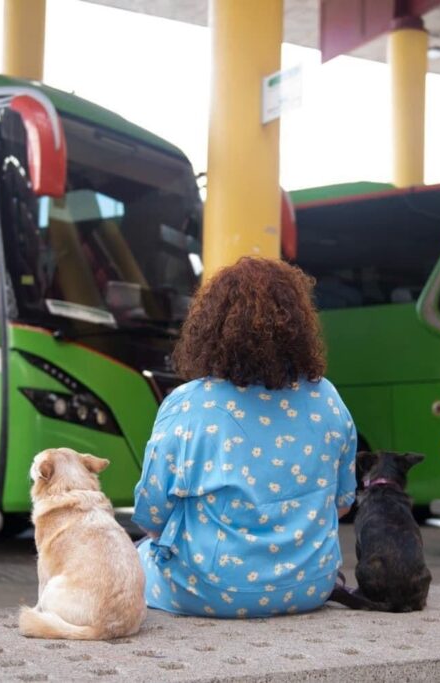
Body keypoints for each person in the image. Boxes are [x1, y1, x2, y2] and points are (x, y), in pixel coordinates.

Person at [132, 257, 357, 618]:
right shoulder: (326, 398)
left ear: (210, 326)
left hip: (210, 590)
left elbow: (151, 514)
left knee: (132, 558)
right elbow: (343, 503)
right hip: (312, 586)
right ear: (299, 325)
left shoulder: (189, 404)